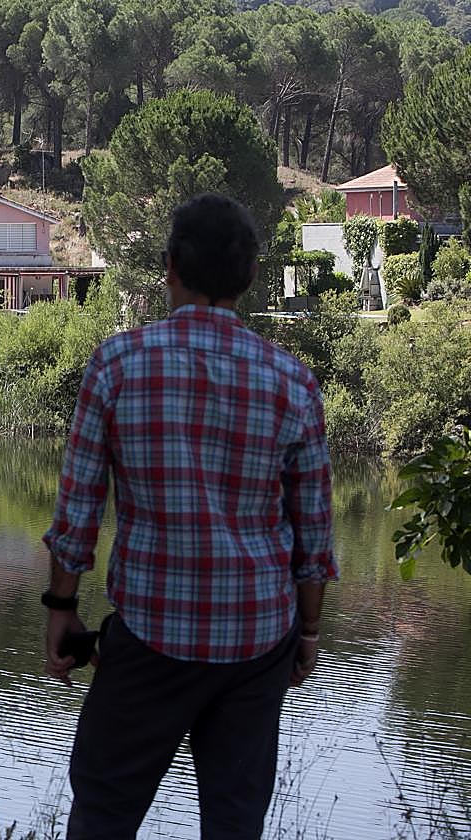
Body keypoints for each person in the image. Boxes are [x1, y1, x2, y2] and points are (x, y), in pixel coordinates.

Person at [42, 193, 337, 840]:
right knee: (234, 822)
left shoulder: (118, 365)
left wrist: (61, 608)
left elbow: (79, 510)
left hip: (150, 637)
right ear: (252, 277)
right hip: (259, 639)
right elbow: (313, 536)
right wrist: (308, 632)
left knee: (104, 812)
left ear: (170, 265)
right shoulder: (294, 383)